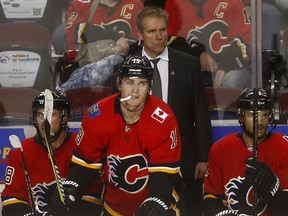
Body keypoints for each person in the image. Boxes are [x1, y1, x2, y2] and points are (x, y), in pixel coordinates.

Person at [52, 55, 183, 215]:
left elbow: (164, 174)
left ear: (150, 87)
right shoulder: (97, 114)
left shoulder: (163, 119)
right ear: (119, 84)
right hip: (113, 207)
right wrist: (73, 186)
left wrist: (157, 200)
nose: (135, 90)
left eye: (141, 83)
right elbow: (86, 163)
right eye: (129, 82)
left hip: (158, 206)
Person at [135, 6, 213, 216]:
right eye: (152, 31)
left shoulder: (188, 64)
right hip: (140, 159)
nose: (159, 36)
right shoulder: (127, 66)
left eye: (162, 30)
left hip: (184, 159)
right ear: (140, 34)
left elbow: (201, 113)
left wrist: (203, 156)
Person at [1, 90, 102, 216]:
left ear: (64, 118)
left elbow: (93, 198)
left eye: (51, 114)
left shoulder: (83, 147)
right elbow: (11, 201)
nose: (44, 121)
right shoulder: (21, 152)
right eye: (40, 115)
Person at [203, 87, 288, 216]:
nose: (259, 121)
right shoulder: (221, 148)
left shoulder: (284, 146)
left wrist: (274, 190)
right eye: (252, 115)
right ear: (241, 116)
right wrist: (222, 214)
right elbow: (210, 197)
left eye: (264, 115)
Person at [56, 0, 144, 91]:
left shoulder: (135, 5)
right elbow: (74, 32)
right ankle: (59, 95)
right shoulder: (82, 3)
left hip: (121, 71)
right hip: (84, 66)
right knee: (114, 60)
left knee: (117, 60)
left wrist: (125, 49)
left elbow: (140, 42)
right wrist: (114, 36)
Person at [164, 0, 251, 88]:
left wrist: (227, 66)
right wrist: (199, 54)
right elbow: (171, 41)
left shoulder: (232, 2)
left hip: (230, 66)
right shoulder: (174, 2)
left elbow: (244, 44)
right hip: (191, 67)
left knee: (231, 79)